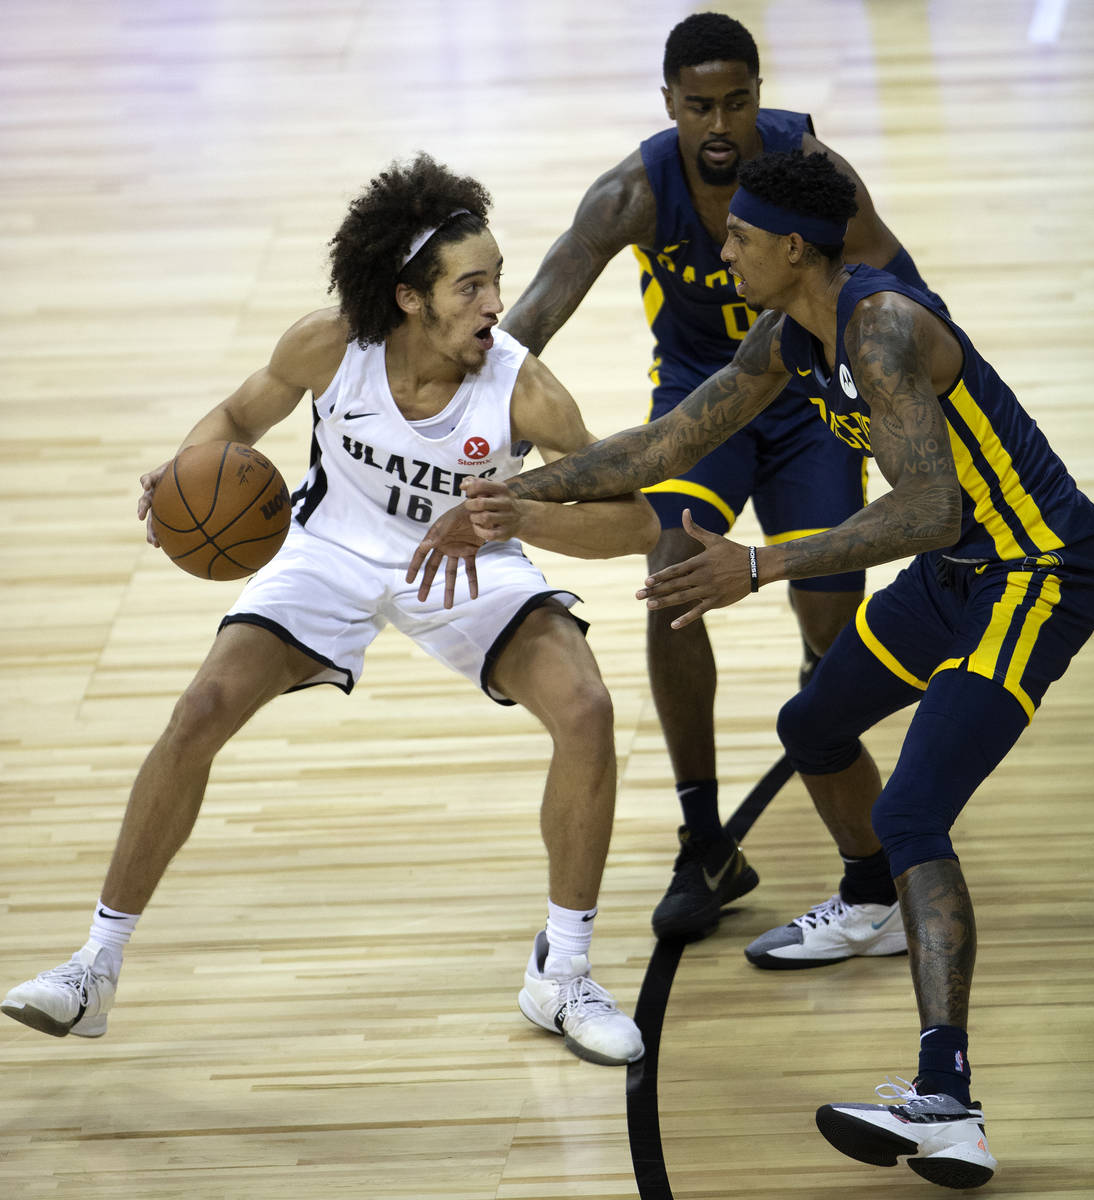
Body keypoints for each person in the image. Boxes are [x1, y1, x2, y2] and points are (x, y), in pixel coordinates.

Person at [410, 150, 1094, 1186]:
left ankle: (947, 1103)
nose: (717, 248)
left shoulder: (879, 326)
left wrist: (758, 562)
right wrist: (520, 496)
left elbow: (928, 508)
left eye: (737, 235)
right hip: (957, 574)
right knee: (811, 728)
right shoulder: (790, 335)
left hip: (1033, 573)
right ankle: (871, 900)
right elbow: (660, 445)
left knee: (915, 810)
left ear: (791, 248)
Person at [0, 154, 659, 1068]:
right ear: (408, 297)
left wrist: (522, 514)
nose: (495, 303)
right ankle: (93, 969)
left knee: (586, 710)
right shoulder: (328, 346)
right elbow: (232, 422)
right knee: (199, 710)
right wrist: (181, 472)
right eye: (471, 286)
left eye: (498, 279)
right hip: (329, 554)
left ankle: (564, 973)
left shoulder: (525, 389)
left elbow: (634, 521)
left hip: (465, 563)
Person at [500, 11, 945, 943]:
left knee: (830, 622)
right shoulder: (634, 189)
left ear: (757, 96)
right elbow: (536, 309)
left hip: (806, 399)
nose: (718, 124)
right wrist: (452, 406)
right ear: (667, 104)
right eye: (697, 105)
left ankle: (840, 776)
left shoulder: (802, 167)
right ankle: (703, 836)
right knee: (671, 576)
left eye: (736, 102)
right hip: (706, 400)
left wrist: (910, 382)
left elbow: (890, 268)